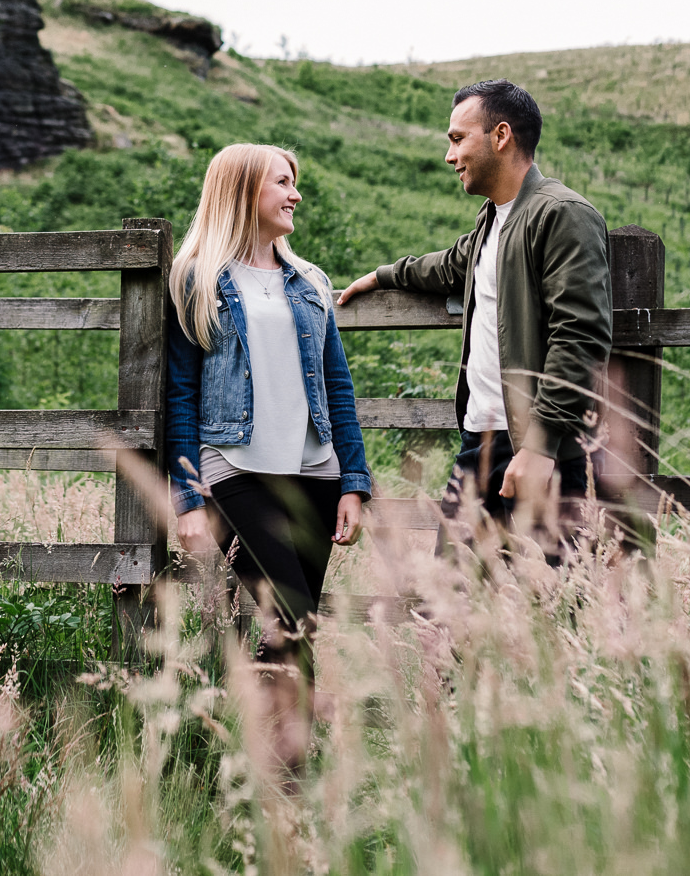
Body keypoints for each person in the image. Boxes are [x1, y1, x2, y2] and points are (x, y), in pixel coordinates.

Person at [338, 80, 612, 557]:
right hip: (479, 443)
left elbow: (581, 336)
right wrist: (382, 277)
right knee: (450, 606)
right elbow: (448, 265)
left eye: (458, 138)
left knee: (554, 608)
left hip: (539, 449)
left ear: (500, 135)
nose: (450, 155)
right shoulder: (494, 220)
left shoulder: (562, 214)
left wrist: (539, 446)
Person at [165, 143, 371, 763]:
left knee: (296, 623)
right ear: (242, 191)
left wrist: (354, 482)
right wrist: (186, 499)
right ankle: (282, 768)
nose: (295, 195)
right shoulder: (198, 278)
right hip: (236, 469)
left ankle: (278, 770)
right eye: (283, 183)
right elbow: (179, 394)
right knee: (287, 607)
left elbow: (337, 386)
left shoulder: (311, 284)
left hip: (315, 472)